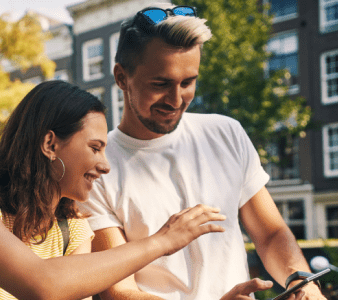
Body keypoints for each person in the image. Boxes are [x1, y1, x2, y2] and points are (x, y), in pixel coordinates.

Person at [76, 5, 325, 300]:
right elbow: (118, 290)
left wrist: (301, 281)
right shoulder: (95, 167)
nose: (176, 99)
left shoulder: (226, 133)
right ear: (121, 77)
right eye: (160, 84)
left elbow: (270, 234)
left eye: (188, 82)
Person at [0, 80, 227, 300]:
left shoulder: (73, 229)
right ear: (50, 144)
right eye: (95, 148)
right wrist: (162, 241)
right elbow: (43, 285)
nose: (105, 165)